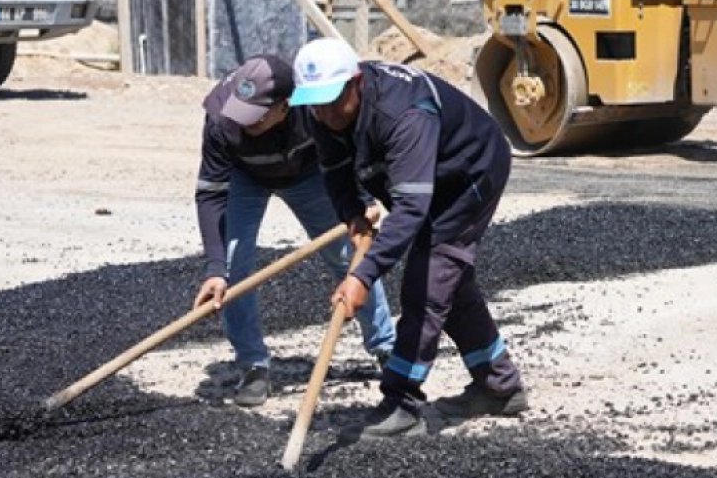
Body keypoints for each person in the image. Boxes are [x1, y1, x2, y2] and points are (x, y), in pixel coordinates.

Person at [288, 37, 528, 439]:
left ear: (356, 83)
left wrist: (363, 275)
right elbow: (334, 168)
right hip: (420, 177)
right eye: (316, 103)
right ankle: (498, 385)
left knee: (427, 284)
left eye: (333, 101)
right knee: (449, 283)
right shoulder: (320, 111)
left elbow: (412, 210)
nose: (325, 113)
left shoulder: (404, 113)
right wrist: (352, 212)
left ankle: (402, 401)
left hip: (469, 173)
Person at [194, 53, 396, 406]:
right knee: (233, 269)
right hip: (245, 178)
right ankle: (253, 365)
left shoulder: (314, 108)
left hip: (310, 173)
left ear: (286, 106)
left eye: (256, 117)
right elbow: (210, 194)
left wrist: (360, 201)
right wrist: (214, 267)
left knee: (350, 255)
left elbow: (348, 149)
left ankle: (386, 348)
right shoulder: (221, 119)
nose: (245, 124)